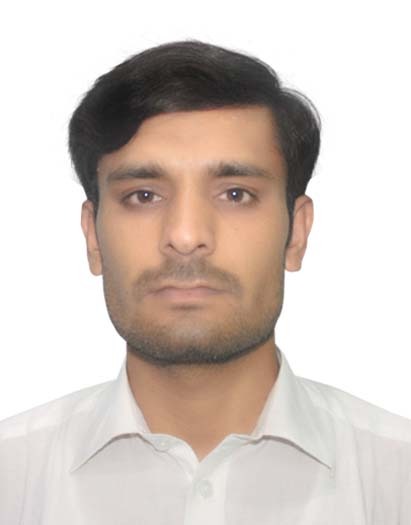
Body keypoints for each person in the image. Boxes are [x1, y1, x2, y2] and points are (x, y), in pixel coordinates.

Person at [1, 39, 410, 524]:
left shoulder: (397, 478)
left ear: (296, 233)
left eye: (235, 194)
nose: (186, 235)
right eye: (143, 195)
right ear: (93, 236)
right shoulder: (12, 476)